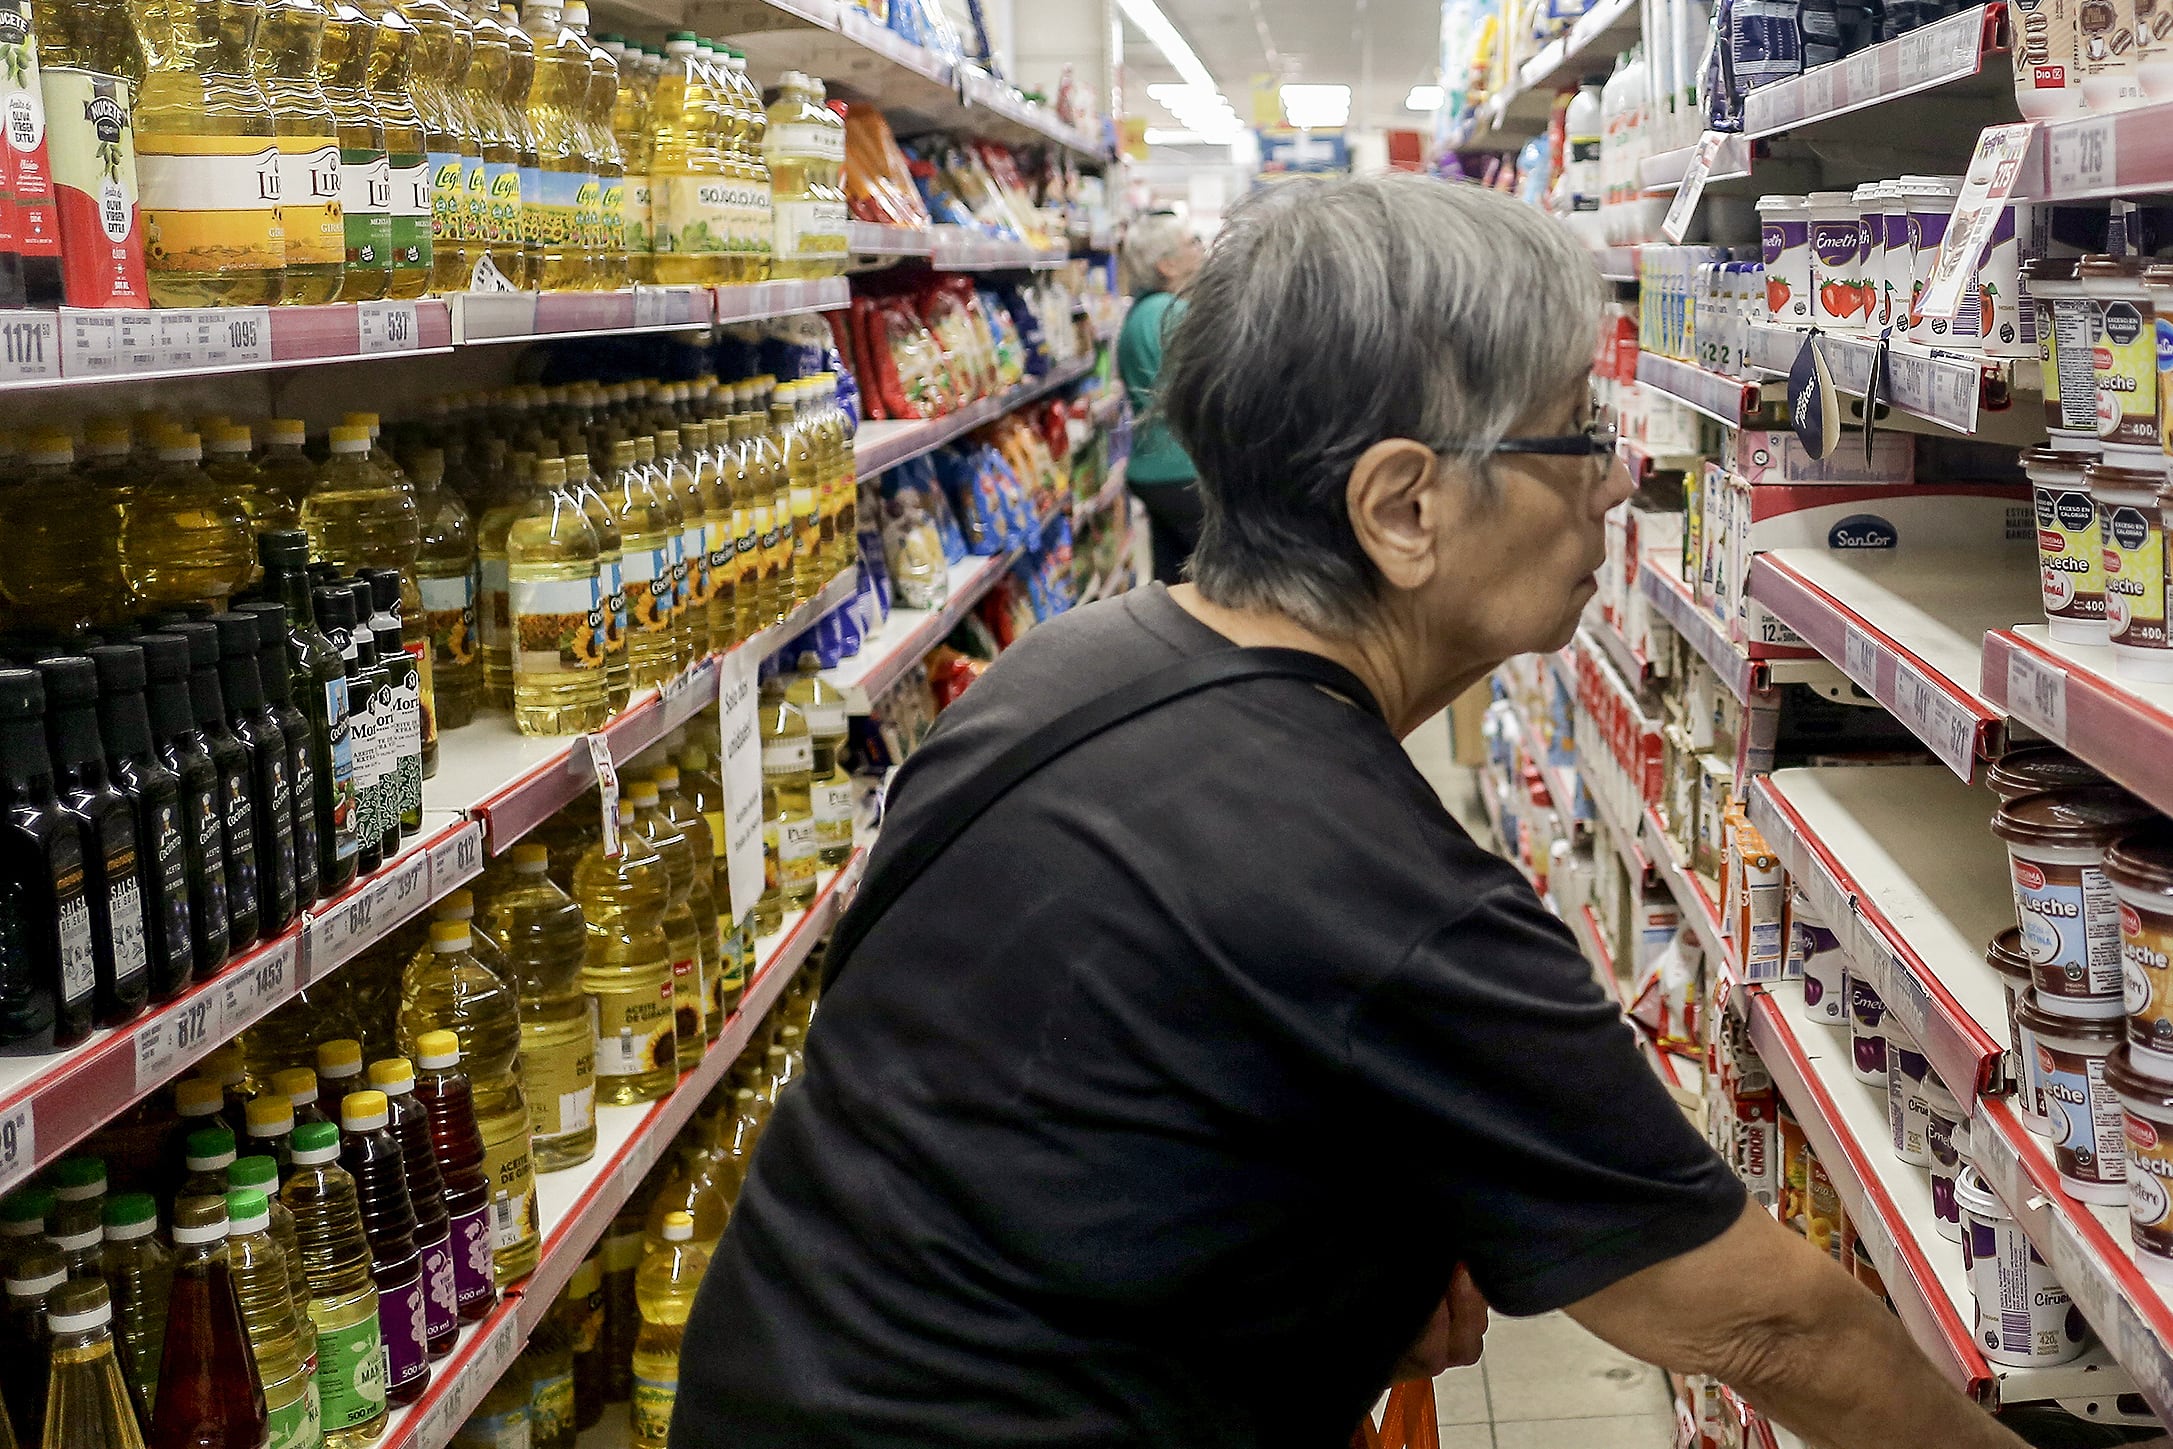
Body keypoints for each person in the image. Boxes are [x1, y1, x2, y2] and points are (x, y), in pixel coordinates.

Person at [671, 174, 2032, 1449]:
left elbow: (1023, 1085)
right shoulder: (1381, 894)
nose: (1619, 478)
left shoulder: (1065, 669)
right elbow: (1771, 1327)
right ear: (1402, 508)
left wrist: (1314, 1241)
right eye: (1579, 430)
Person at [1115, 212, 1207, 586]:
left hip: (1150, 469)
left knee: (1172, 580)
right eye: (1192, 242)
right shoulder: (1176, 312)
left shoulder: (1138, 315)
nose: (1201, 249)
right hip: (1185, 468)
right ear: (1166, 265)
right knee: (1218, 579)